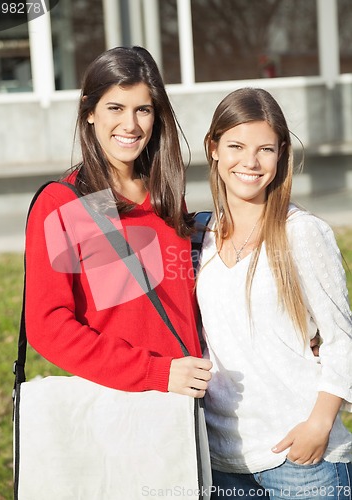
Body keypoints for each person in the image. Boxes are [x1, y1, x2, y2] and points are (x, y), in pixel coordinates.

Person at [25, 46, 212, 399]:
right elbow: (47, 327)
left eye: (143, 110)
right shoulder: (65, 203)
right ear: (90, 111)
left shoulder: (164, 197)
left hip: (188, 404)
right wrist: (154, 373)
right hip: (122, 407)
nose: (130, 125)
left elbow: (182, 306)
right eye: (115, 108)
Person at [197, 88, 352, 499]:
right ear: (213, 148)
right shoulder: (198, 237)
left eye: (265, 149)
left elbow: (341, 341)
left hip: (301, 463)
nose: (249, 162)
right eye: (235, 146)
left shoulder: (302, 233)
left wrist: (318, 426)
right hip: (222, 463)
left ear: (281, 153)